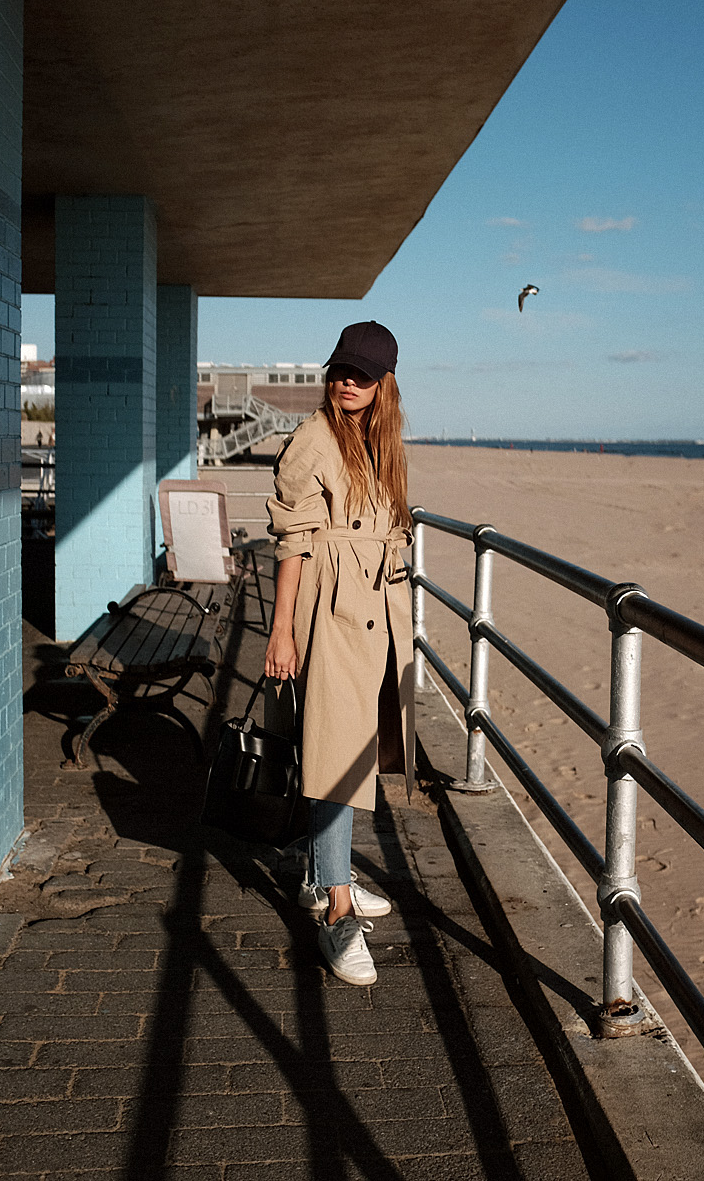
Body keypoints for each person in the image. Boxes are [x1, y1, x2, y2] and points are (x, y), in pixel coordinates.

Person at [264, 321, 414, 986]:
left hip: (376, 612)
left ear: (383, 383)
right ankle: (335, 910)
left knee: (355, 746)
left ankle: (330, 871)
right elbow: (292, 542)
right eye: (339, 371)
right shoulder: (316, 438)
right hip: (328, 609)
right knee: (332, 750)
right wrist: (280, 632)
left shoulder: (381, 444)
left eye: (361, 374)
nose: (345, 383)